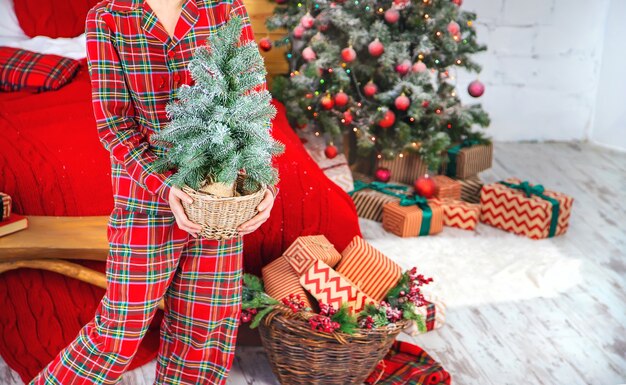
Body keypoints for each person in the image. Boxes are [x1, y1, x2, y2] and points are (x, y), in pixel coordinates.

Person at [29, 0, 278, 384]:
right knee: (118, 330)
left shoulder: (225, 8)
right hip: (145, 197)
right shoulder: (108, 17)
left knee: (204, 330)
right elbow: (114, 125)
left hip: (221, 196)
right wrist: (166, 187)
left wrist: (264, 183)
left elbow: (253, 106)